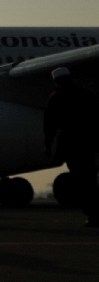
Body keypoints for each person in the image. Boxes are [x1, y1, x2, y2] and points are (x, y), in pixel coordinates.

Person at [44, 67, 99, 227]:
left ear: (56, 81)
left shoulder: (55, 97)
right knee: (90, 178)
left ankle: (92, 214)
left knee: (80, 179)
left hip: (70, 143)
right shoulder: (86, 94)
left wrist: (48, 145)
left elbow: (49, 124)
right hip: (87, 141)